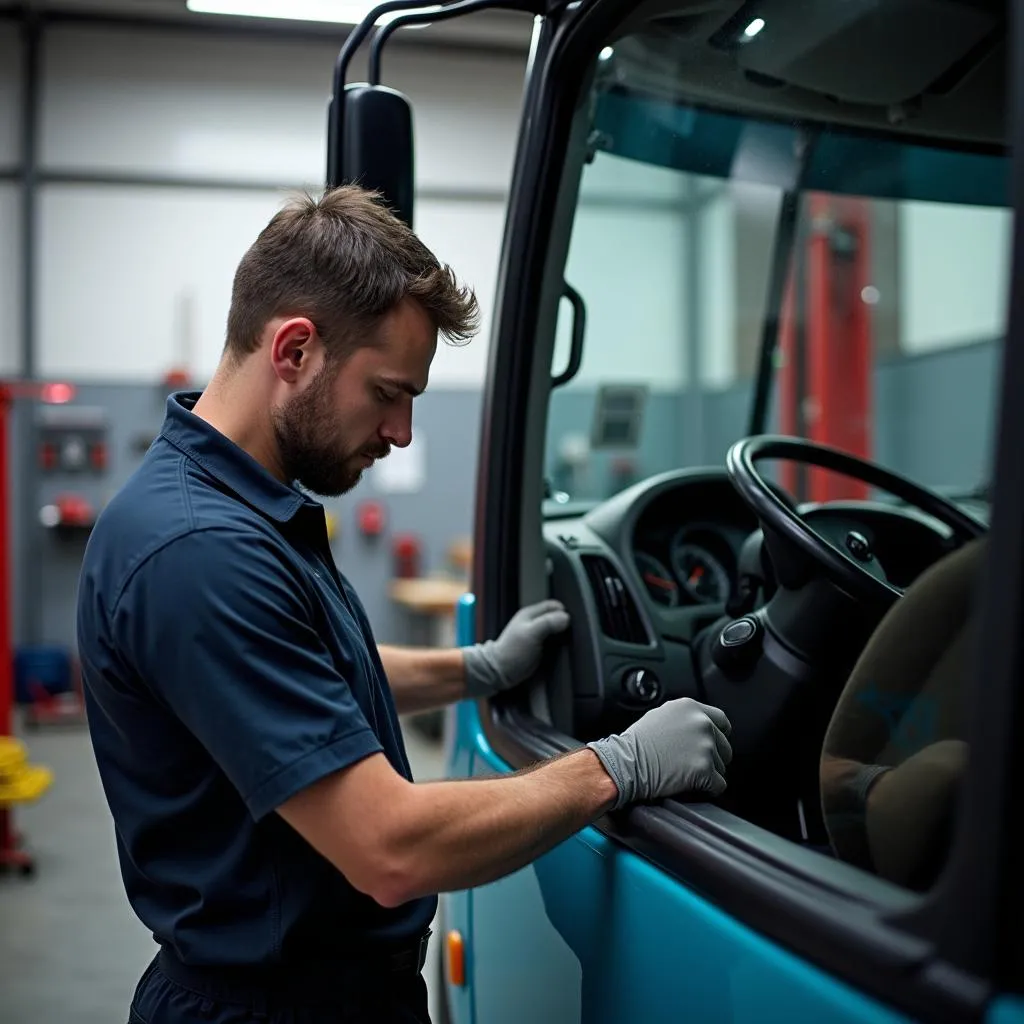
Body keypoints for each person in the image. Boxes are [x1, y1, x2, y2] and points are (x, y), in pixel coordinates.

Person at [76, 186, 733, 1024]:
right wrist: (617, 767)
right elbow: (388, 845)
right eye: (389, 392)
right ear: (295, 350)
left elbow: (305, 672)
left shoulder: (235, 506)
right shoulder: (200, 548)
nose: (402, 432)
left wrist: (476, 668)